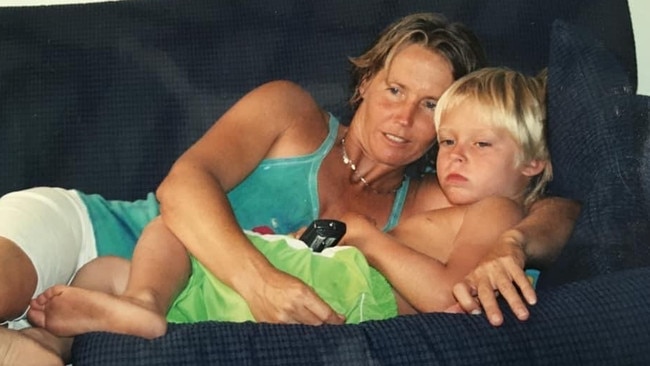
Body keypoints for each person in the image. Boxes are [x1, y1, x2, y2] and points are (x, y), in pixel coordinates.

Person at [28, 67, 553, 341]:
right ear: (366, 83)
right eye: (394, 89)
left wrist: (363, 236)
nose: (456, 156)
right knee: (143, 241)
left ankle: (133, 310)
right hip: (108, 230)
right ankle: (127, 311)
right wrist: (264, 271)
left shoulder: (443, 201)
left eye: (431, 108)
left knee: (79, 297)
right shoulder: (292, 110)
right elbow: (181, 187)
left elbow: (548, 213)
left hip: (196, 281)